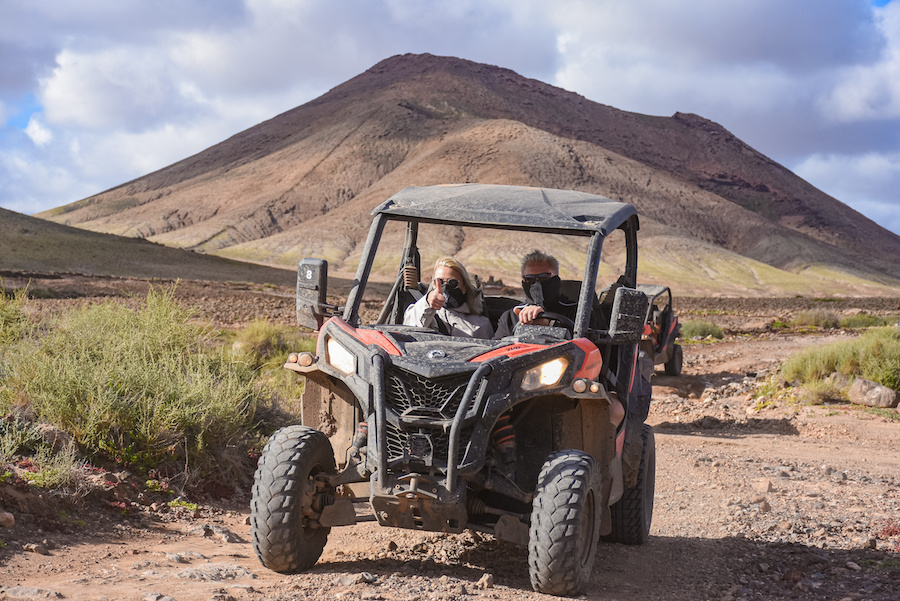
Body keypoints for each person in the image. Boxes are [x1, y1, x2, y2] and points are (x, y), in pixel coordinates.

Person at [493, 250, 578, 339]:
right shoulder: (511, 317)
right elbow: (496, 349)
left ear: (556, 279)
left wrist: (550, 325)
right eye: (529, 279)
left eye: (544, 277)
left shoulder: (576, 312)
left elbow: (588, 344)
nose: (536, 284)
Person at [404, 257, 493, 339]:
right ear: (434, 284)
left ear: (464, 286)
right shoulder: (423, 314)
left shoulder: (481, 323)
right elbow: (410, 328)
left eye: (452, 283)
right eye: (440, 282)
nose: (445, 287)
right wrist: (427, 302)